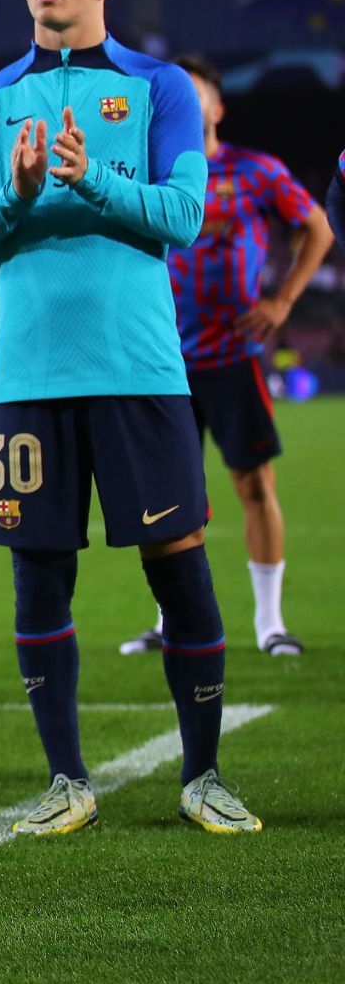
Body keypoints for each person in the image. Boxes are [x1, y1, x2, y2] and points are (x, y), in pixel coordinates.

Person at [0, 0, 260, 837]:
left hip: (139, 369)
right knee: (39, 575)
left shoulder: (161, 91)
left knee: (179, 567)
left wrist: (89, 183)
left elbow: (183, 214)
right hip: (30, 377)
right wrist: (21, 193)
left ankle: (203, 774)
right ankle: (65, 778)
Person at [118, 55, 331, 659]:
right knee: (166, 498)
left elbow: (316, 226)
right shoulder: (145, 172)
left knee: (254, 485)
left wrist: (284, 300)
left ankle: (270, 623)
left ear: (216, 106)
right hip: (161, 359)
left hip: (233, 353)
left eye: (195, 91)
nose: (184, 99)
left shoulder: (255, 171)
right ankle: (168, 623)